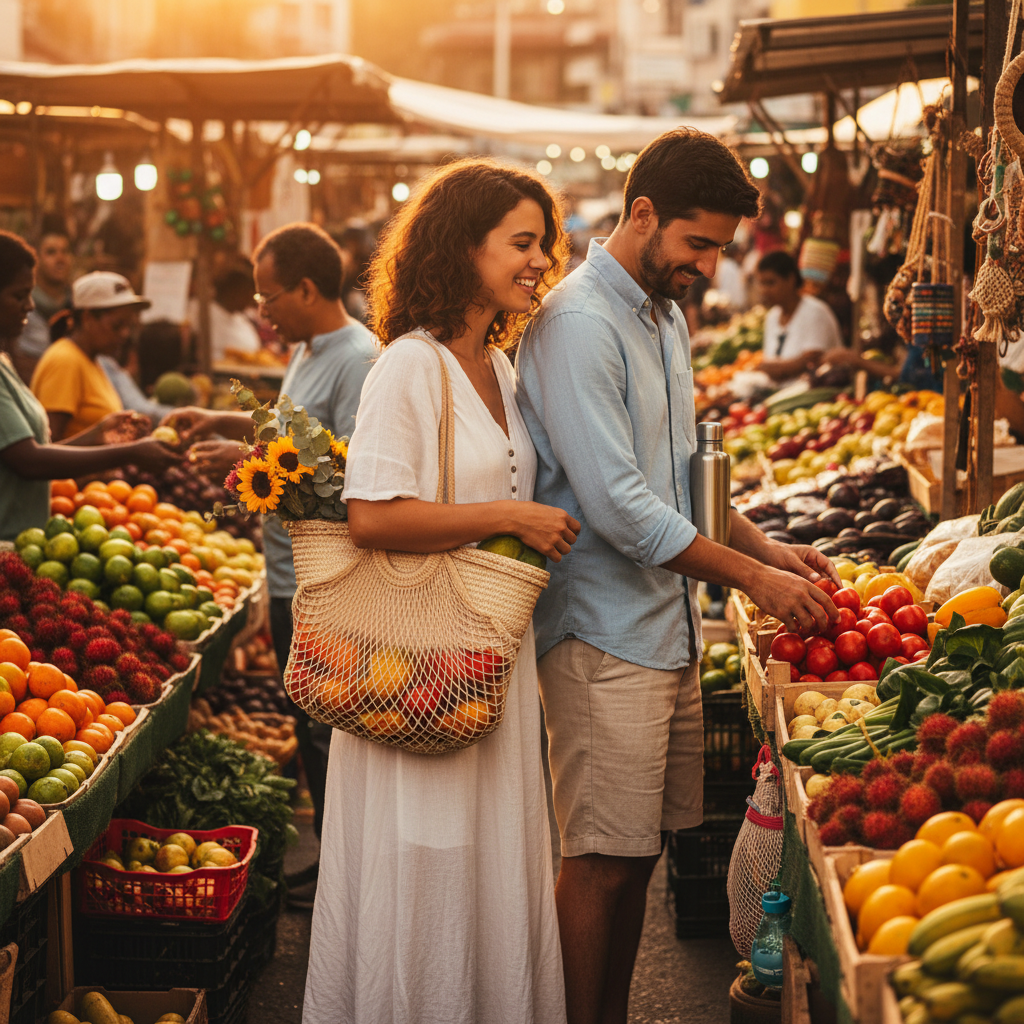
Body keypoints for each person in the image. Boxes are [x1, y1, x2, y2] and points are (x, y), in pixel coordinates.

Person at [515, 128, 841, 1024]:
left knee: (640, 853)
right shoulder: (580, 322)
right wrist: (751, 579)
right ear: (643, 213)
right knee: (599, 857)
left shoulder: (663, 317)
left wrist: (765, 547)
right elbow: (620, 506)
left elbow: (680, 478)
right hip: (600, 635)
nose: (707, 266)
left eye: (720, 250)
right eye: (697, 244)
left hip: (662, 627)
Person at [302, 159, 577, 1023]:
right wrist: (514, 516)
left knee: (485, 863)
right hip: (411, 662)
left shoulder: (501, 367)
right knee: (425, 861)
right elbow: (372, 518)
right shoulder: (409, 367)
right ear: (463, 249)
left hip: (484, 660)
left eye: (545, 243)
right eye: (521, 243)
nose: (540, 260)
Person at [163, 226, 376, 843]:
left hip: (326, 578)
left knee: (327, 729)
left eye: (269, 297)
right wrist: (227, 420)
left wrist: (253, 462)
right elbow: (292, 436)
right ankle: (334, 863)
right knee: (309, 721)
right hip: (287, 574)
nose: (262, 312)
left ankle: (348, 869)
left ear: (307, 289)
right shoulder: (307, 349)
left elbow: (353, 472)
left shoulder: (357, 360)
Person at [0, 232, 179, 541]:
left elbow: (38, 448)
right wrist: (128, 453)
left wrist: (98, 435)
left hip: (28, 539)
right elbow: (29, 460)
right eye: (19, 296)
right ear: (87, 318)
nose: (29, 306)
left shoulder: (8, 362)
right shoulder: (65, 360)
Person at [30, 271, 150, 441]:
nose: (125, 334)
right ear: (87, 318)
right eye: (117, 326)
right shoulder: (65, 360)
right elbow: (48, 450)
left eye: (129, 326)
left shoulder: (94, 361)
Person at [756, 249, 844, 385]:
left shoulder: (815, 312)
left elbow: (812, 360)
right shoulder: (772, 317)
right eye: (762, 283)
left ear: (791, 279)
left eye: (771, 283)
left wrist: (776, 369)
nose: (764, 290)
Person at [13, 227, 73, 381]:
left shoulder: (75, 304)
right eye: (51, 252)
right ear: (37, 259)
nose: (60, 259)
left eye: (64, 251)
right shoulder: (23, 306)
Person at [187, 266, 263, 365]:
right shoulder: (199, 311)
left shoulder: (241, 318)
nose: (249, 299)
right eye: (246, 293)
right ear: (232, 291)